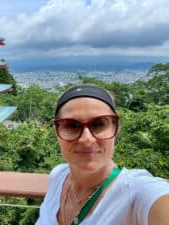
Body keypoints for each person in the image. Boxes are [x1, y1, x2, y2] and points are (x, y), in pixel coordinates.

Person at [36, 85, 169, 225]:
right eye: (72, 125)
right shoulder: (58, 175)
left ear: (116, 129)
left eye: (99, 124)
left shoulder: (137, 192)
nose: (86, 139)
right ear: (57, 132)